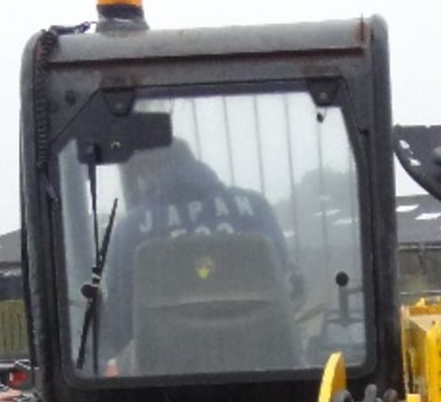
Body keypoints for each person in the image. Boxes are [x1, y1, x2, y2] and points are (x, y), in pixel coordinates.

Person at [98, 137, 295, 364]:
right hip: (264, 367)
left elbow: (121, 319)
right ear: (193, 161)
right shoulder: (256, 208)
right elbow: (284, 280)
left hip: (165, 382)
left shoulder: (130, 229)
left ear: (146, 172)